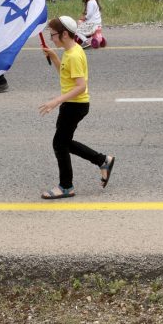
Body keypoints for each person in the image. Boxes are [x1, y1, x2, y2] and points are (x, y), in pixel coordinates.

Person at [38, 16, 115, 199]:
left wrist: (56, 100)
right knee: (63, 142)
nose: (52, 39)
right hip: (73, 105)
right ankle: (103, 160)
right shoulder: (70, 50)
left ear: (65, 34)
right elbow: (65, 75)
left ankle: (66, 186)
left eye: (53, 35)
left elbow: (81, 85)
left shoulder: (73, 55)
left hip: (74, 105)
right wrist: (55, 57)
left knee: (59, 143)